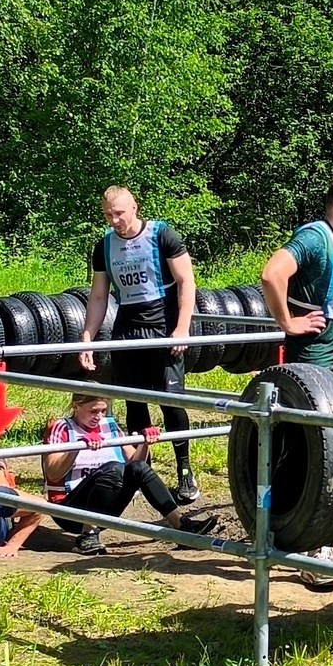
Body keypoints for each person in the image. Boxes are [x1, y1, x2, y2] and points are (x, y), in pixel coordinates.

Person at [259, 176, 333, 596]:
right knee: (313, 456)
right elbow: (272, 274)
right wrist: (287, 322)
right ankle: (309, 548)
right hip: (313, 368)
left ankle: (302, 539)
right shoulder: (314, 237)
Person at [77, 186, 201, 502]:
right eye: (108, 215)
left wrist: (182, 328)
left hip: (164, 326)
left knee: (170, 401)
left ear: (134, 207)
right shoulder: (104, 246)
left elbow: (186, 281)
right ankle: (141, 472)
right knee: (134, 402)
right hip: (127, 329)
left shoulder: (162, 235)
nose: (114, 220)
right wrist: (88, 337)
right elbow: (99, 296)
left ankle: (184, 469)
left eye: (119, 213)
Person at [41, 393, 202, 554]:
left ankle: (182, 526)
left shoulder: (108, 426)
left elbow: (136, 465)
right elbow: (53, 474)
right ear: (76, 406)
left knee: (137, 467)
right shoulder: (61, 427)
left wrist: (144, 443)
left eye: (103, 411)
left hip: (105, 506)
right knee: (114, 468)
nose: (99, 416)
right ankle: (87, 535)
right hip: (68, 511)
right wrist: (77, 447)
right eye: (93, 411)